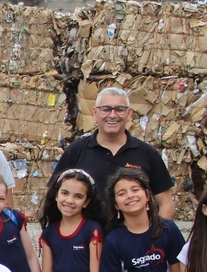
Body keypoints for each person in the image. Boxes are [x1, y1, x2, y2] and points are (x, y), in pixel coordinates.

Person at [52, 87, 175, 219]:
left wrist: (158, 236)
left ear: (129, 114)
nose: (112, 115)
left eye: (119, 109)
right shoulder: (76, 151)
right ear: (95, 113)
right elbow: (54, 196)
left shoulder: (147, 153)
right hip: (87, 237)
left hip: (133, 236)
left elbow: (165, 203)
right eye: (106, 109)